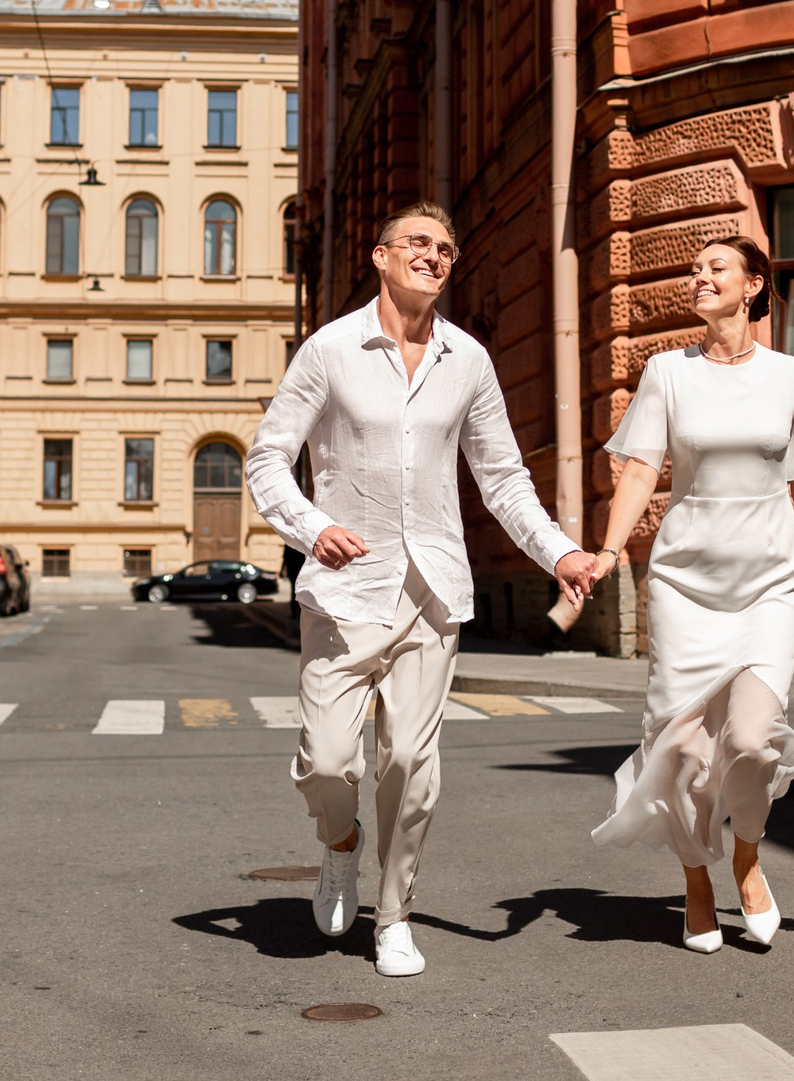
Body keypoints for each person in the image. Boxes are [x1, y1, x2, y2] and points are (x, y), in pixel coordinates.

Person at [247, 202, 594, 979]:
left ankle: (394, 912)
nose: (434, 257)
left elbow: (501, 477)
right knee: (327, 762)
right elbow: (268, 460)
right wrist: (310, 527)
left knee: (411, 761)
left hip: (431, 592)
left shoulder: (466, 360)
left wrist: (559, 553)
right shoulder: (330, 350)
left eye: (445, 249)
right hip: (343, 591)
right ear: (379, 255)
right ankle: (340, 845)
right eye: (418, 244)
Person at [585, 235, 794, 952]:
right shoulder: (665, 374)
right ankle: (696, 879)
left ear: (753, 285)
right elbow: (642, 471)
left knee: (749, 743)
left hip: (770, 579)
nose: (698, 276)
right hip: (684, 580)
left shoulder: (791, 376)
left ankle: (745, 855)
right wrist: (611, 551)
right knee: (682, 751)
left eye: (715, 268)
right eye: (695, 267)